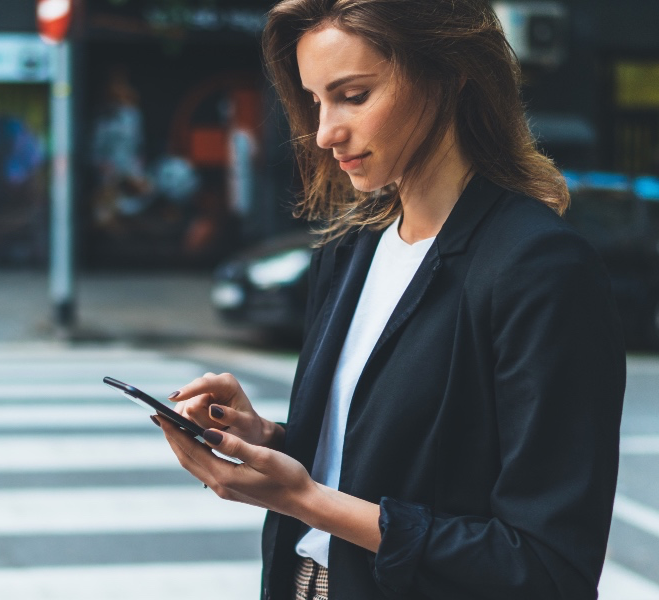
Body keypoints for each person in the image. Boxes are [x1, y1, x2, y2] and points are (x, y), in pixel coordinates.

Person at [152, 1, 627, 598]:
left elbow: (544, 565)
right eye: (316, 100)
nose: (325, 132)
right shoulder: (350, 251)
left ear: (450, 77)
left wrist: (305, 498)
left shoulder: (541, 268)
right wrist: (272, 440)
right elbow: (403, 462)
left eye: (353, 95)